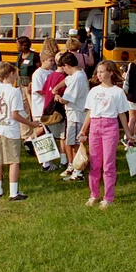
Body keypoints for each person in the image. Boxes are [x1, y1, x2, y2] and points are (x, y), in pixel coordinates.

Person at [0, 62, 42, 201]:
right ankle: (13, 192)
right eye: (15, 74)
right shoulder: (14, 91)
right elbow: (14, 114)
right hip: (9, 129)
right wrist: (31, 123)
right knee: (13, 161)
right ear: (10, 74)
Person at [80, 60, 135, 210]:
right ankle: (94, 194)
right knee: (94, 163)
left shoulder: (118, 92)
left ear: (110, 72)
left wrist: (128, 133)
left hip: (110, 127)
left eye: (102, 71)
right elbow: (90, 112)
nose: (99, 74)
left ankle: (108, 197)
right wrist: (83, 130)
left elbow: (122, 115)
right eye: (97, 72)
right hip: (95, 127)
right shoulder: (94, 91)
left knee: (108, 164)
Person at [56, 52, 90, 181]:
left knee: (76, 144)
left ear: (67, 65)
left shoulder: (77, 78)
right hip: (73, 114)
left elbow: (67, 99)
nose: (63, 71)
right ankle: (72, 166)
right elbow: (66, 80)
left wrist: (58, 97)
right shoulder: (78, 73)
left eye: (63, 68)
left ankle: (78, 171)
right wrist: (56, 87)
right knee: (70, 142)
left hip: (76, 115)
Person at [31, 52, 57, 172]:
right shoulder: (38, 74)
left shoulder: (51, 73)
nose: (53, 63)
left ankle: (48, 160)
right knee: (45, 134)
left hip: (49, 107)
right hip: (40, 107)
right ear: (44, 60)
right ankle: (46, 163)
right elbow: (38, 90)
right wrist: (51, 94)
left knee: (48, 133)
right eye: (50, 60)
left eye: (53, 61)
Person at [15, 36, 40, 143]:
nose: (16, 46)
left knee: (33, 109)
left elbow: (38, 69)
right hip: (20, 84)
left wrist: (32, 82)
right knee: (23, 110)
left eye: (17, 44)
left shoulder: (34, 55)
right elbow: (17, 69)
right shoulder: (20, 55)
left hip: (30, 85)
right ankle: (25, 133)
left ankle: (37, 131)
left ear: (23, 45)